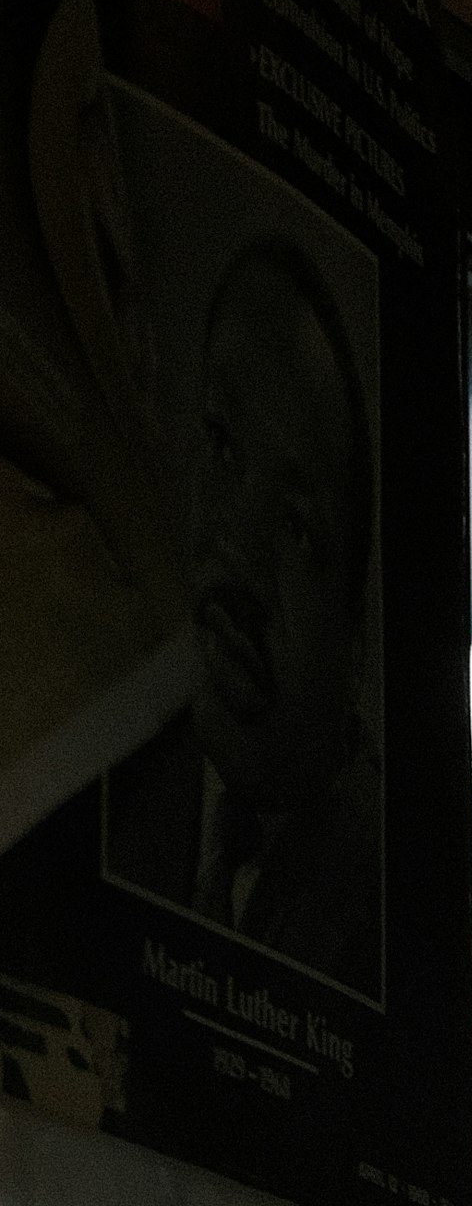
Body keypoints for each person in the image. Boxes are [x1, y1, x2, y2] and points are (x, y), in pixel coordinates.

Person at [100, 231, 381, 997]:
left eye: (295, 525)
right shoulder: (112, 778)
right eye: (222, 448)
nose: (236, 551)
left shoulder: (383, 904)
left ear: (354, 643)